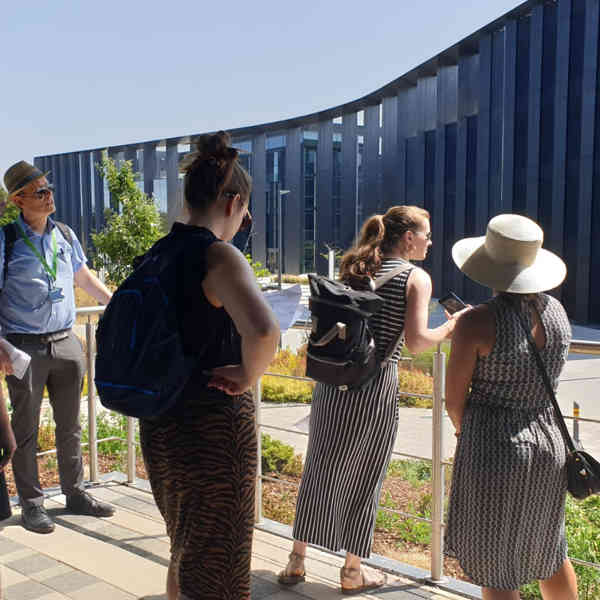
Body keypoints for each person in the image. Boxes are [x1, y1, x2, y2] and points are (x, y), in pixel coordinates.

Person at [278, 206, 466, 594]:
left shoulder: (360, 267)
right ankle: (351, 571)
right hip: (375, 385)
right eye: (426, 235)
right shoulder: (415, 278)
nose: (430, 242)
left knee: (319, 467)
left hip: (333, 382)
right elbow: (415, 342)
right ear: (409, 238)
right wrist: (450, 327)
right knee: (366, 473)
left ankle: (296, 561)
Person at [138, 132, 280, 600]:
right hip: (212, 426)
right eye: (246, 211)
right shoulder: (217, 255)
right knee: (219, 560)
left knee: (184, 545)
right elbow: (263, 333)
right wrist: (248, 374)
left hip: (163, 421)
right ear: (234, 201)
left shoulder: (156, 255)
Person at [444, 214, 578, 600]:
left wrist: (463, 432)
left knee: (498, 566)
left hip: (496, 450)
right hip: (549, 445)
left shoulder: (476, 322)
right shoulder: (557, 313)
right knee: (550, 551)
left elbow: (455, 401)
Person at [0, 161, 115, 534]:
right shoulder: (7, 239)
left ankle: (75, 493)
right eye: (40, 192)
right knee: (27, 429)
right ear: (18, 199)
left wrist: (115, 302)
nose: (50, 197)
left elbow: (83, 275)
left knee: (71, 425)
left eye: (50, 189)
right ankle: (32, 504)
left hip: (67, 342)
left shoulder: (64, 233)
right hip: (24, 347)